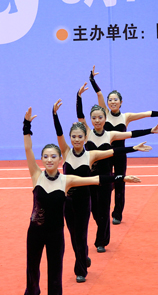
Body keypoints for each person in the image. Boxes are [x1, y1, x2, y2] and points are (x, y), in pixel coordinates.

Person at [23, 107, 140, 295]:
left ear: (60, 159)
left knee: (55, 275)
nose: (49, 160)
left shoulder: (67, 180)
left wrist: (121, 177)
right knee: (32, 268)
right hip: (35, 232)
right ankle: (32, 290)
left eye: (53, 156)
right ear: (42, 159)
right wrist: (26, 125)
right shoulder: (36, 175)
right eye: (45, 157)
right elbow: (28, 148)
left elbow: (96, 179)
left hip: (56, 235)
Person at [52, 98, 151, 282]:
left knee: (82, 235)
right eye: (73, 137)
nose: (76, 140)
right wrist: (55, 114)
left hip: (84, 200)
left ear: (85, 138)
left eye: (80, 137)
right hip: (68, 203)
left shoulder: (91, 155)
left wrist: (134, 149)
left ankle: (80, 270)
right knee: (74, 237)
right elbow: (59, 134)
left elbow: (114, 152)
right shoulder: (65, 152)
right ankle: (83, 256)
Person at [76, 84, 158, 253]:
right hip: (91, 177)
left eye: (100, 117)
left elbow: (131, 134)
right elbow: (80, 116)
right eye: (94, 118)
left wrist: (150, 131)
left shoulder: (111, 134)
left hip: (107, 172)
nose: (97, 120)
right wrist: (79, 96)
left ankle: (102, 239)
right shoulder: (87, 132)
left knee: (105, 207)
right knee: (94, 211)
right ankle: (103, 227)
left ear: (105, 119)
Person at [89, 66, 158, 225]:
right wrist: (92, 80)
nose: (112, 102)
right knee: (106, 183)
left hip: (121, 154)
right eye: (110, 100)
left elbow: (146, 114)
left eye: (115, 99)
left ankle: (117, 214)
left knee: (120, 183)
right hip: (105, 155)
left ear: (121, 102)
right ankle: (102, 211)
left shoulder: (126, 117)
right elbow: (99, 94)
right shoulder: (104, 114)